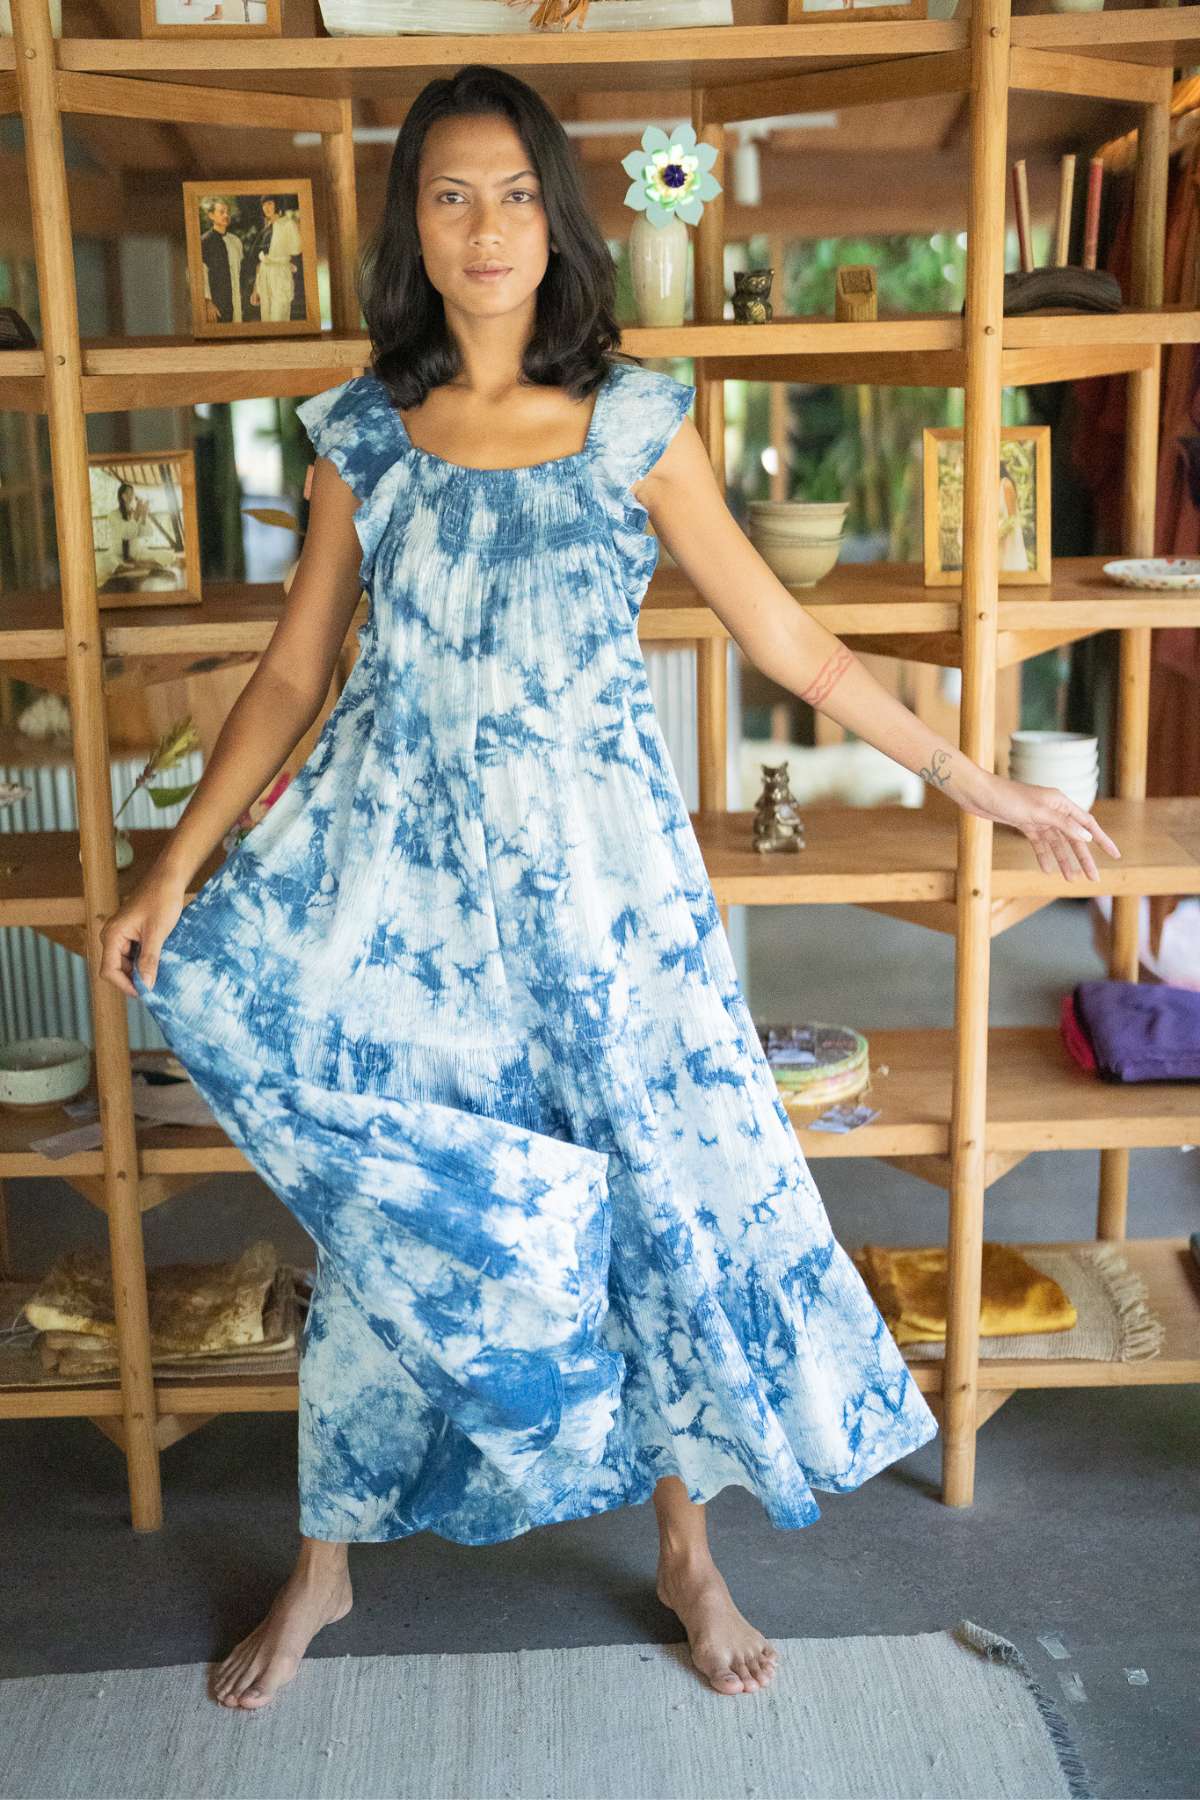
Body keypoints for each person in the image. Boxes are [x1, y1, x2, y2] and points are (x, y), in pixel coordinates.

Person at [99, 64, 1120, 1715]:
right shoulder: (370, 431)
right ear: (412, 231)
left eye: (512, 192)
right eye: (449, 194)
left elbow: (793, 644)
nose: (484, 224)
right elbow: (291, 679)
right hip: (401, 908)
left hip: (607, 904)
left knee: (648, 1204)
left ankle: (685, 1550)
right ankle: (326, 1570)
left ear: (556, 219)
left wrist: (979, 783)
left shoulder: (635, 420)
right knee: (396, 1211)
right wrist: (171, 868)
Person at [249, 196, 304, 324]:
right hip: (264, 276)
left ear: (276, 204)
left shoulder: (288, 224)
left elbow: (296, 250)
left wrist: (286, 262)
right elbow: (260, 261)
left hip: (280, 275)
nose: (266, 207)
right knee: (267, 321)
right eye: (264, 205)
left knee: (279, 317)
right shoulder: (264, 231)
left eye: (269, 203)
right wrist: (255, 289)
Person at [200, 198, 244, 326]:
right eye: (221, 212)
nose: (226, 215)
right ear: (211, 215)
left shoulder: (236, 242)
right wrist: (207, 303)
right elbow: (201, 274)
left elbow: (239, 272)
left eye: (227, 212)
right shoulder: (204, 242)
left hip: (235, 303)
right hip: (216, 307)